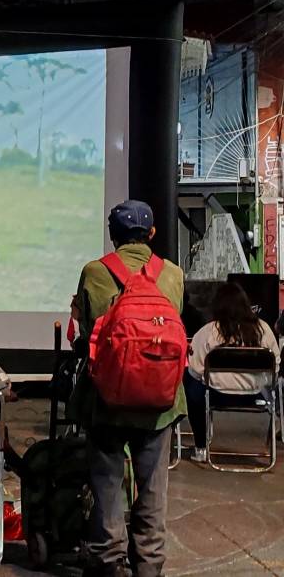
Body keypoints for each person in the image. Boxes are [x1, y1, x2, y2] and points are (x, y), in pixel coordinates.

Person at [70, 200, 185, 577]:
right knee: (153, 487)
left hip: (108, 398)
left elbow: (88, 332)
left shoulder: (94, 272)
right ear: (151, 234)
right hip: (160, 401)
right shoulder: (172, 274)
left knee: (107, 483)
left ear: (112, 235)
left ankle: (108, 559)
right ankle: (149, 564)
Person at [184, 282, 281, 462]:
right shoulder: (263, 330)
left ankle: (201, 446)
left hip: (216, 394)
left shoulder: (208, 332)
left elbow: (195, 369)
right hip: (254, 395)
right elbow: (275, 367)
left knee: (188, 381)